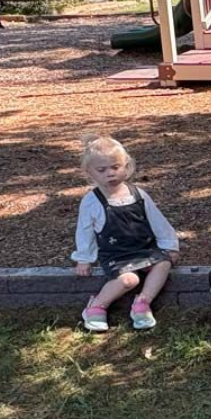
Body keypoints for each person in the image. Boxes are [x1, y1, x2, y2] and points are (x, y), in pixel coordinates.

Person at [72, 135, 179, 331]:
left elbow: (157, 221)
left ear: (126, 166)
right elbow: (84, 231)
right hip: (116, 254)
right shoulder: (91, 201)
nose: (110, 174)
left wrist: (169, 245)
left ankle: (143, 303)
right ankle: (97, 306)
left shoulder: (137, 194)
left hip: (144, 249)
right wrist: (84, 258)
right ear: (90, 172)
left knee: (163, 264)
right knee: (130, 279)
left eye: (115, 167)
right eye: (102, 170)